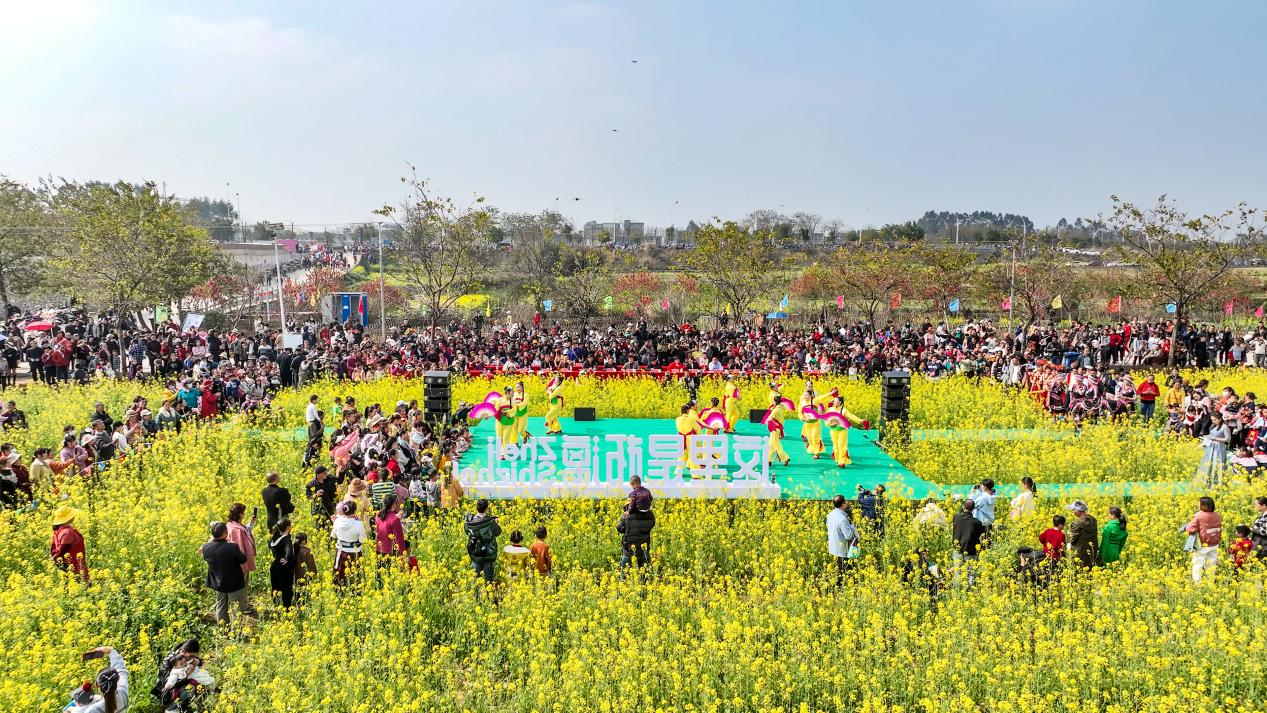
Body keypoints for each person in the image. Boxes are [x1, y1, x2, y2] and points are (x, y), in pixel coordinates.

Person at [200, 522, 248, 624]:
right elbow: (243, 559)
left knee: (221, 606)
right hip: (234, 583)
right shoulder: (232, 547)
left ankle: (223, 630)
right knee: (235, 608)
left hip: (218, 583)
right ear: (225, 533)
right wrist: (230, 542)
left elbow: (202, 554)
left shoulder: (206, 548)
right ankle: (236, 632)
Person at [63, 646, 128, 713]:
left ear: (97, 685)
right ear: (117, 680)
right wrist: (111, 651)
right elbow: (121, 669)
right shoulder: (123, 691)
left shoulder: (93, 710)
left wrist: (69, 711)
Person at [224, 504, 257, 611]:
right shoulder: (236, 529)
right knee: (242, 584)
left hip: (236, 562)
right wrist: (244, 563)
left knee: (243, 583)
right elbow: (239, 548)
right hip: (240, 562)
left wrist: (251, 523)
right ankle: (242, 607)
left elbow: (245, 530)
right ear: (239, 514)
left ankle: (244, 603)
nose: (244, 514)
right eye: (243, 512)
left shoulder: (231, 524)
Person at [465, 499, 502, 591]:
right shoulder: (490, 521)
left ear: (476, 508)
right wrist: (496, 523)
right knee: (489, 580)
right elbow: (498, 532)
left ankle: (476, 600)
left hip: (475, 553)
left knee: (476, 579)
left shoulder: (470, 521)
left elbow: (467, 531)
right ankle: (489, 600)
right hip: (488, 554)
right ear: (487, 508)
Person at [1185, 496, 1223, 583]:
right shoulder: (1217, 515)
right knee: (1211, 564)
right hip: (1214, 544)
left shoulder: (1199, 516)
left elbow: (1190, 528)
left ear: (1204, 506)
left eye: (1199, 503)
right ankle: (1211, 582)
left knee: (1198, 564)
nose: (1198, 504)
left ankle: (1198, 584)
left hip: (1203, 545)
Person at [331, 501, 366, 586]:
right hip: (355, 551)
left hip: (341, 551)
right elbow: (362, 540)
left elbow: (334, 535)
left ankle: (339, 592)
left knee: (339, 573)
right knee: (356, 574)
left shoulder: (337, 521)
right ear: (354, 511)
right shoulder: (359, 524)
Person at [51, 505, 89, 583]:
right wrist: (58, 559)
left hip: (69, 563)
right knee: (81, 584)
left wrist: (56, 560)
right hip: (73, 563)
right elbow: (64, 548)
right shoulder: (68, 532)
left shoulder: (60, 529)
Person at [618, 500, 655, 580]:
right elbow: (652, 525)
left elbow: (620, 529)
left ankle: (623, 583)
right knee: (644, 575)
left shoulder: (626, 516)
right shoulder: (650, 514)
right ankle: (644, 588)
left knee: (625, 571)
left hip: (629, 549)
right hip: (644, 549)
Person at [825, 494, 858, 586]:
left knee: (839, 570)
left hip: (833, 548)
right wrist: (852, 526)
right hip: (843, 551)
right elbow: (848, 536)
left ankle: (839, 586)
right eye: (845, 502)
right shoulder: (843, 518)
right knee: (845, 572)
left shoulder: (829, 515)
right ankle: (842, 587)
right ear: (843, 504)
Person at [952, 500, 985, 586]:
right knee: (971, 574)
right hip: (971, 552)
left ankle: (957, 593)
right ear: (973, 509)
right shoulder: (977, 522)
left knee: (957, 573)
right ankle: (970, 591)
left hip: (958, 551)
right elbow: (981, 537)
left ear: (963, 507)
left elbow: (960, 512)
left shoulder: (956, 517)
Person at [374, 494, 409, 567]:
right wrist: (403, 554)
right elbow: (399, 538)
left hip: (378, 548)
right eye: (396, 502)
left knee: (379, 574)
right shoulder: (395, 519)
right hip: (390, 552)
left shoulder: (378, 514)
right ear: (393, 504)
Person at [268, 519, 296, 609]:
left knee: (275, 587)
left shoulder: (274, 538)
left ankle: (276, 606)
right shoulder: (286, 539)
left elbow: (270, 546)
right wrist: (287, 559)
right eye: (291, 525)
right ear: (288, 527)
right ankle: (287, 608)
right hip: (283, 568)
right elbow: (289, 554)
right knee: (286, 589)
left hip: (275, 565)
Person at [1066, 500, 1100, 568]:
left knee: (1080, 569)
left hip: (1080, 552)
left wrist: (1068, 541)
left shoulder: (1077, 523)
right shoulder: (1093, 520)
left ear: (1078, 511)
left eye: (1073, 510)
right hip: (1092, 550)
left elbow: (1072, 538)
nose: (1073, 512)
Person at [1250, 496, 1267, 561]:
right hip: (1260, 546)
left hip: (1263, 548)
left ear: (1264, 506)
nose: (1255, 506)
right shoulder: (1262, 516)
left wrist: (1252, 529)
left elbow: (1264, 531)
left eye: (1256, 504)